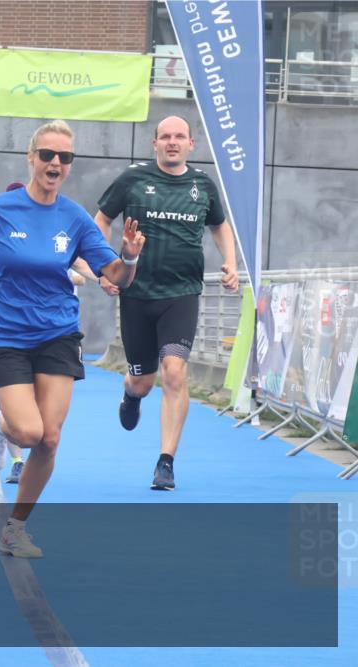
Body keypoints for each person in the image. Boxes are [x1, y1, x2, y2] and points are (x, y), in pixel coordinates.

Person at [0, 120, 145, 558]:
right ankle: (1, 421)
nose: (55, 163)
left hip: (57, 333)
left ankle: (15, 528)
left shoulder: (75, 218)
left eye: (64, 157)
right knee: (29, 432)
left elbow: (116, 276)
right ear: (31, 158)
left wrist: (129, 256)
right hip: (5, 332)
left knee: (49, 438)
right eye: (47, 155)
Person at [94, 115, 239, 491]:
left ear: (191, 144)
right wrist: (104, 268)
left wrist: (231, 261)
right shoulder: (133, 179)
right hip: (137, 294)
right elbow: (102, 219)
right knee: (144, 381)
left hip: (181, 294)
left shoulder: (202, 185)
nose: (172, 142)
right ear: (155, 143)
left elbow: (219, 225)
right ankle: (131, 393)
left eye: (179, 137)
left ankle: (166, 462)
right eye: (165, 136)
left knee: (174, 372)